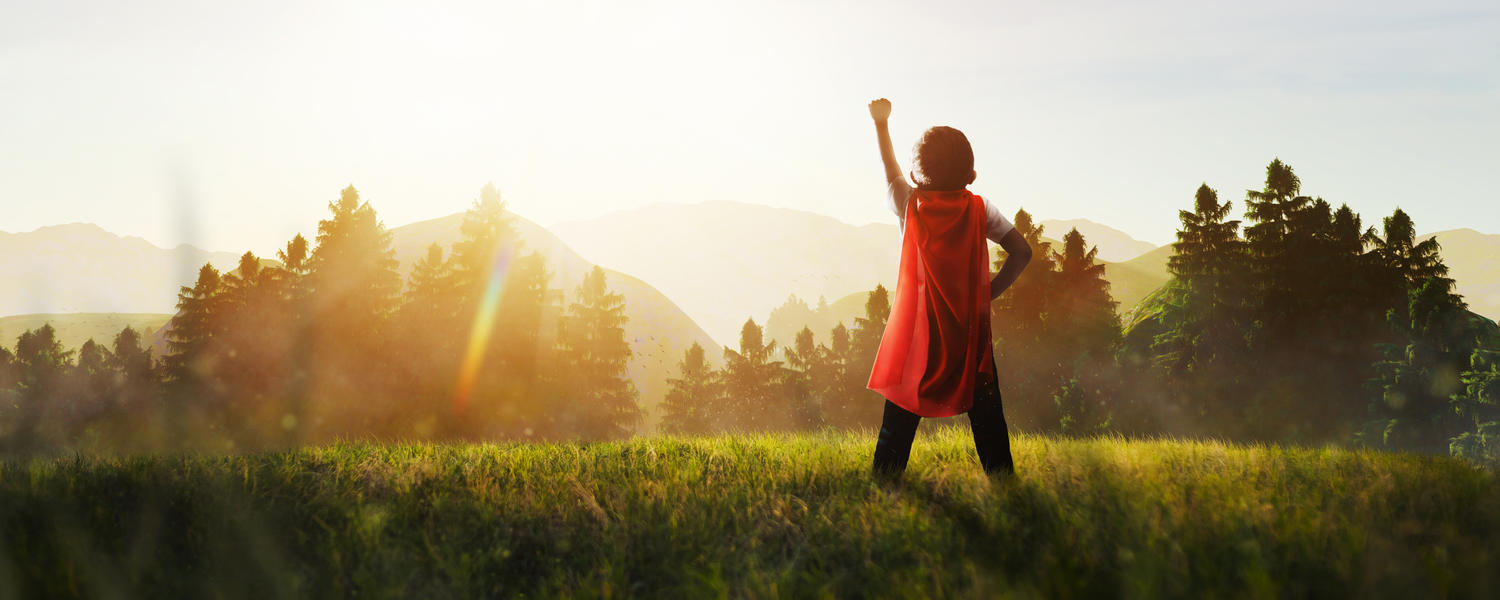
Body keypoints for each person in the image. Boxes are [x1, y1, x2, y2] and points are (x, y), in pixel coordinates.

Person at [864, 97, 1031, 479]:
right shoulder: (980, 209)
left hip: (919, 339)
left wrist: (881, 124)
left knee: (901, 415)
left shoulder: (908, 204)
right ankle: (1004, 484)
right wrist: (987, 294)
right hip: (967, 338)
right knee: (988, 415)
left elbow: (890, 173)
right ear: (972, 175)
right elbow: (1022, 252)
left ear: (916, 176)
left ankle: (884, 486)